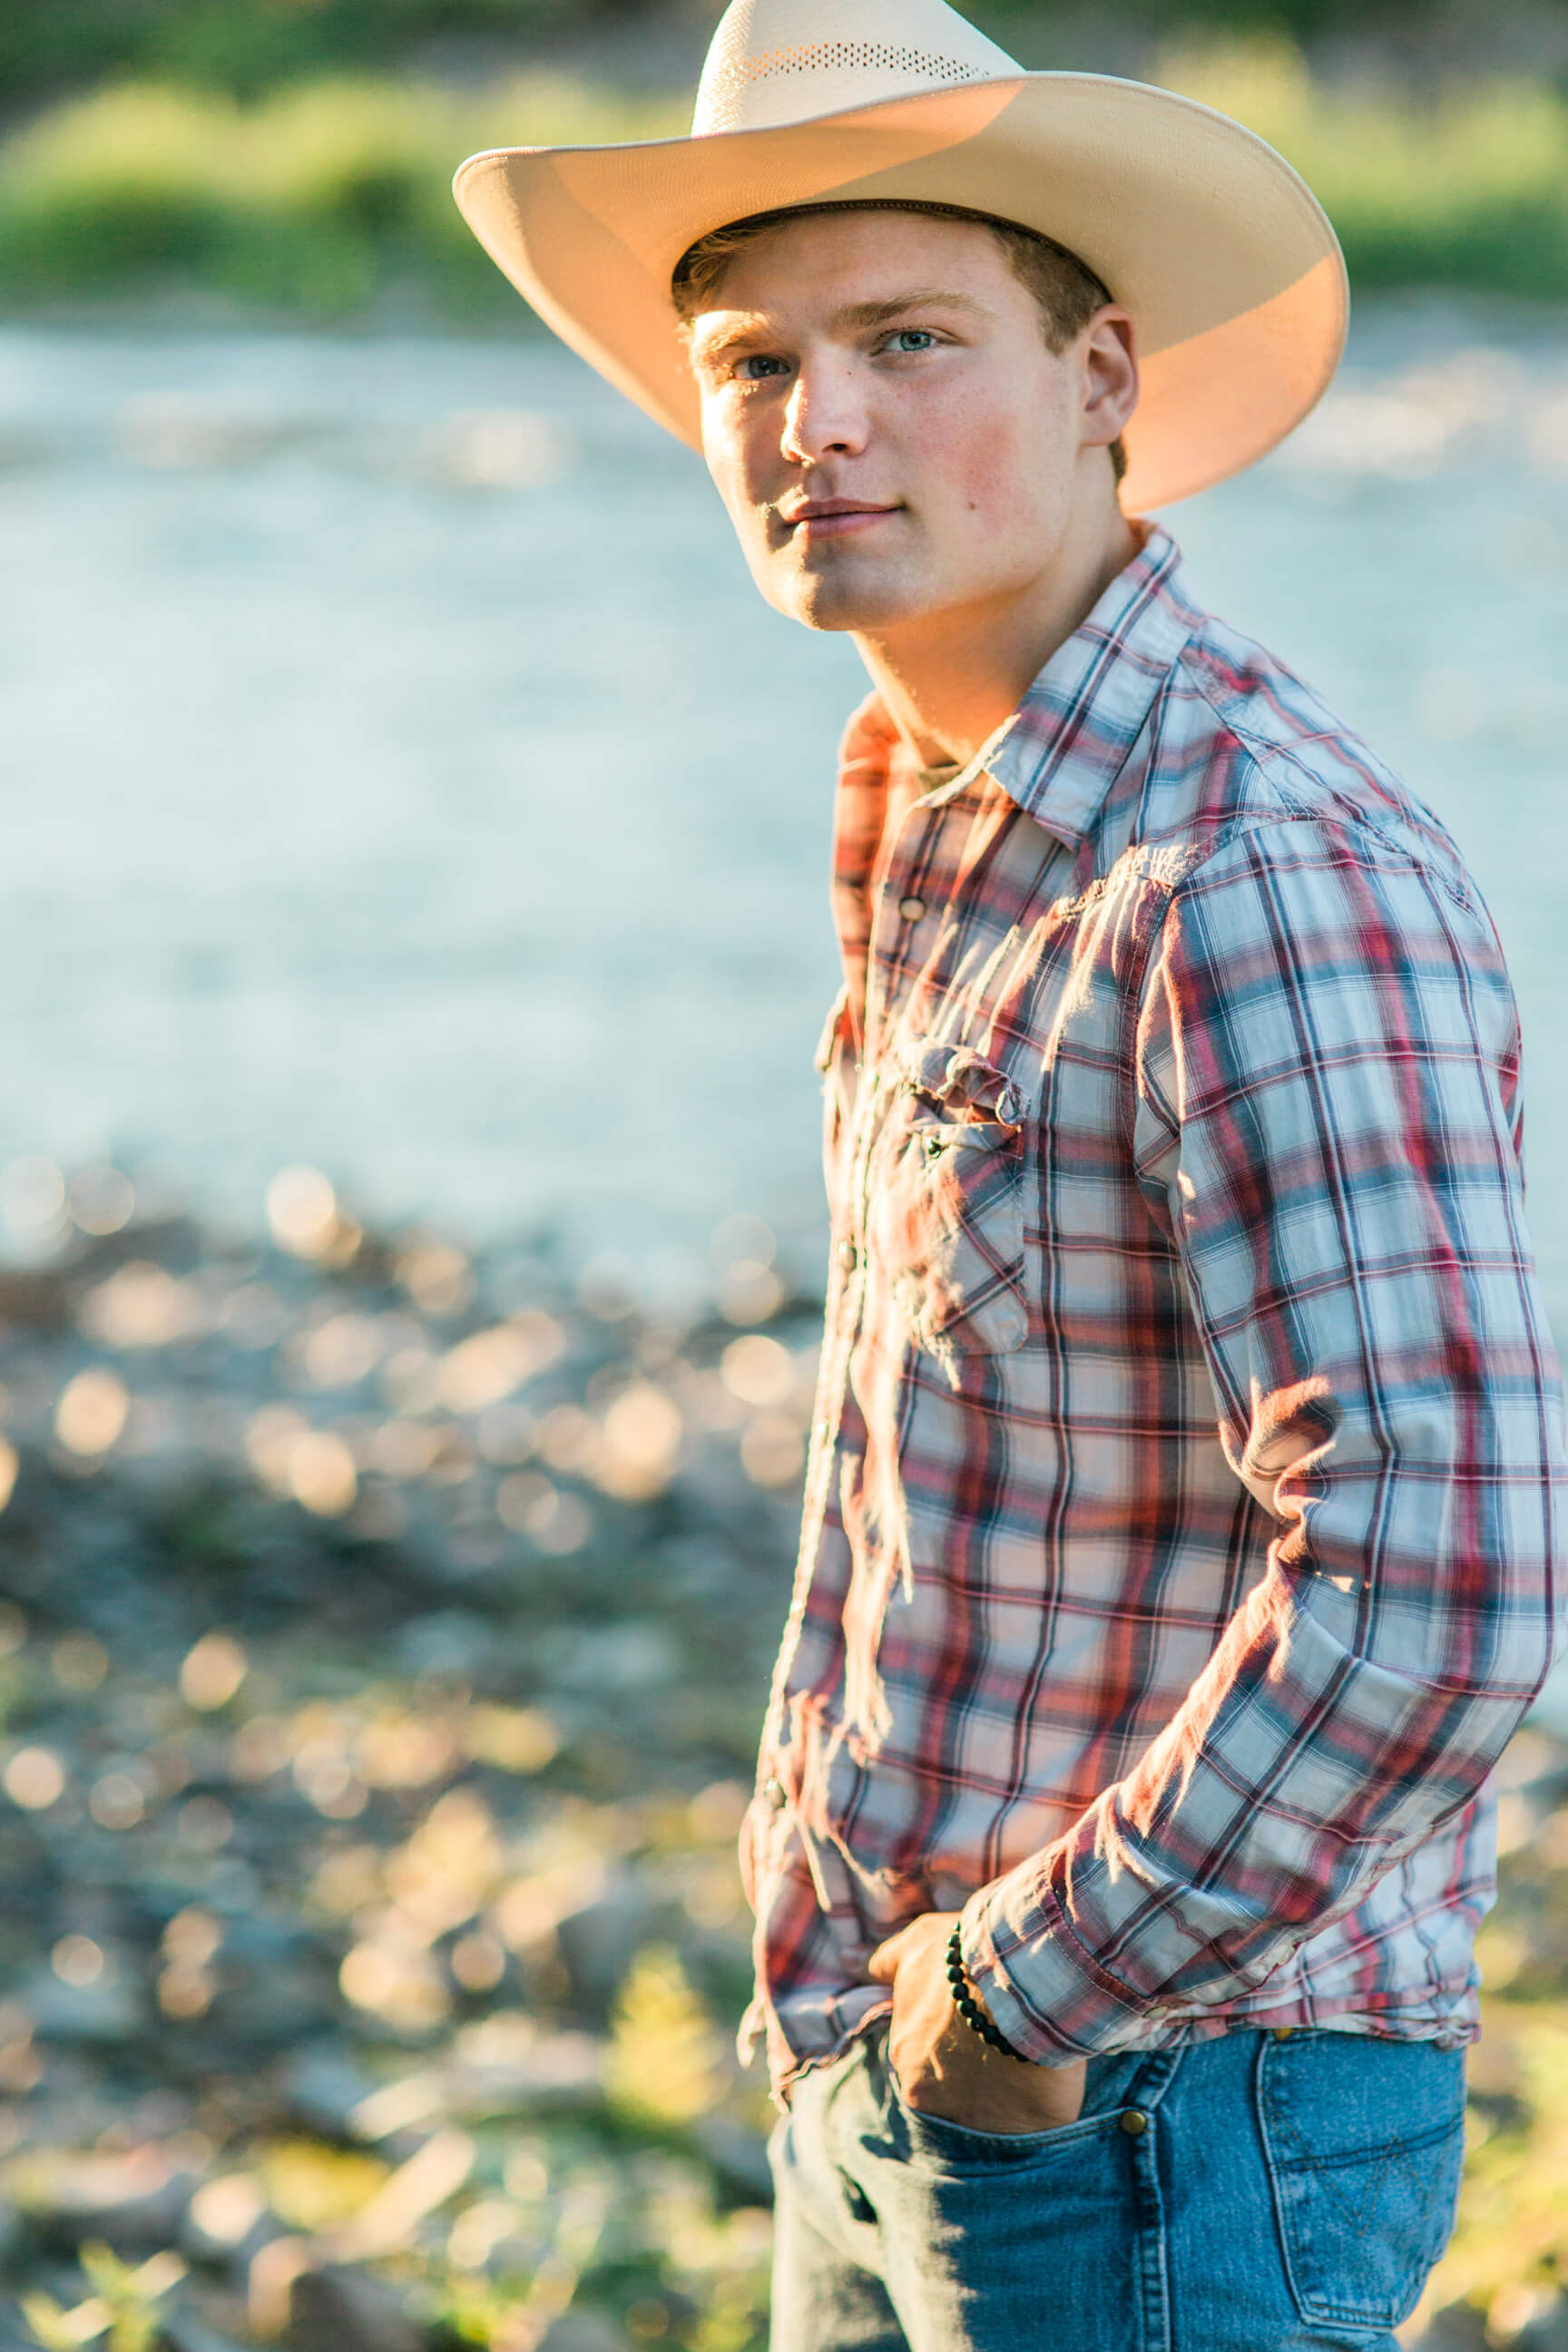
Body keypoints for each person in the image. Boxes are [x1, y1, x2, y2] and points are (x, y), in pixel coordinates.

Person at [454, 4, 1568, 2345]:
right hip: (898, 2082)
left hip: (1162, 2113)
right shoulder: (937, 809)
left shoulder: (1250, 864)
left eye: (910, 338)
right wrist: (900, 2021)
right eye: (758, 361)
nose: (818, 420)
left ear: (1103, 373)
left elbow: (1448, 1581)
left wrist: (1022, 1996)